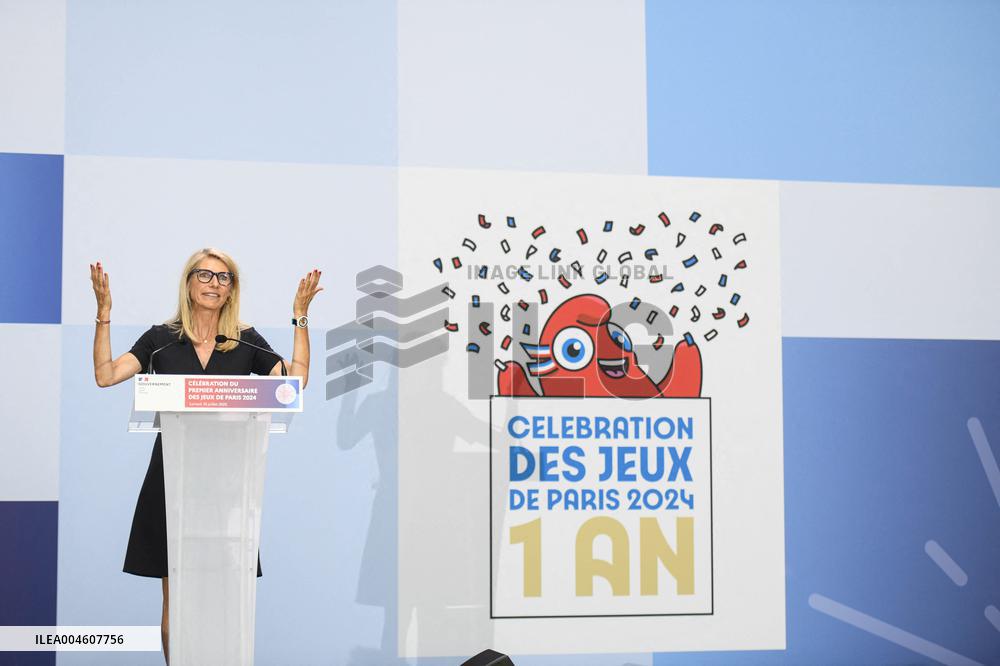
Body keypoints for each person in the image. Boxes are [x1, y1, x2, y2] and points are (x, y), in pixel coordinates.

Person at [89, 248, 322, 663]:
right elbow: (106, 375)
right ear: (189, 283)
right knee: (176, 600)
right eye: (206, 275)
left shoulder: (243, 340)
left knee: (224, 600)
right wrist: (103, 314)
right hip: (172, 481)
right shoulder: (161, 340)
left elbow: (295, 382)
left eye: (224, 277)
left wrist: (300, 317)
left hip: (227, 486)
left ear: (232, 289)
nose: (215, 283)